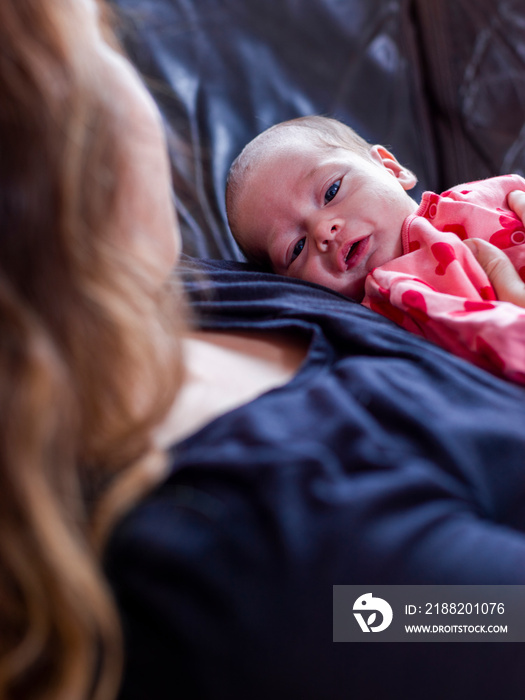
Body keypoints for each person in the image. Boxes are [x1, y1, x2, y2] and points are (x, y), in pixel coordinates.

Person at [7, 2, 525, 700]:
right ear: (72, 129)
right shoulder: (283, 564)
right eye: (102, 45)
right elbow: (483, 620)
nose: (320, 234)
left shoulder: (201, 289)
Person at [225, 116, 525, 383]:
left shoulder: (485, 195)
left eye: (332, 191)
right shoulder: (396, 297)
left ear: (391, 168)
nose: (322, 231)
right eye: (296, 248)